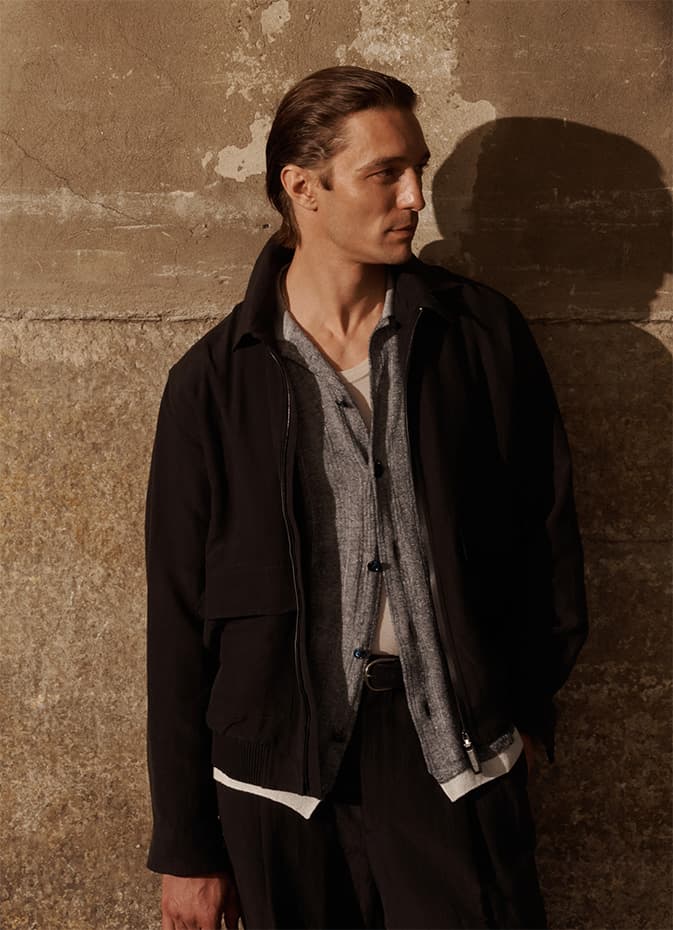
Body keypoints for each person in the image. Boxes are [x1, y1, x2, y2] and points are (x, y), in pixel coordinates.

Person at [145, 66, 588, 930]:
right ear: (303, 187)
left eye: (417, 168)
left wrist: (520, 705)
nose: (416, 196)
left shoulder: (478, 337)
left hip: (454, 759)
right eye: (385, 172)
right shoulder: (212, 383)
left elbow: (549, 537)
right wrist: (188, 847)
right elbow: (177, 616)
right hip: (278, 785)